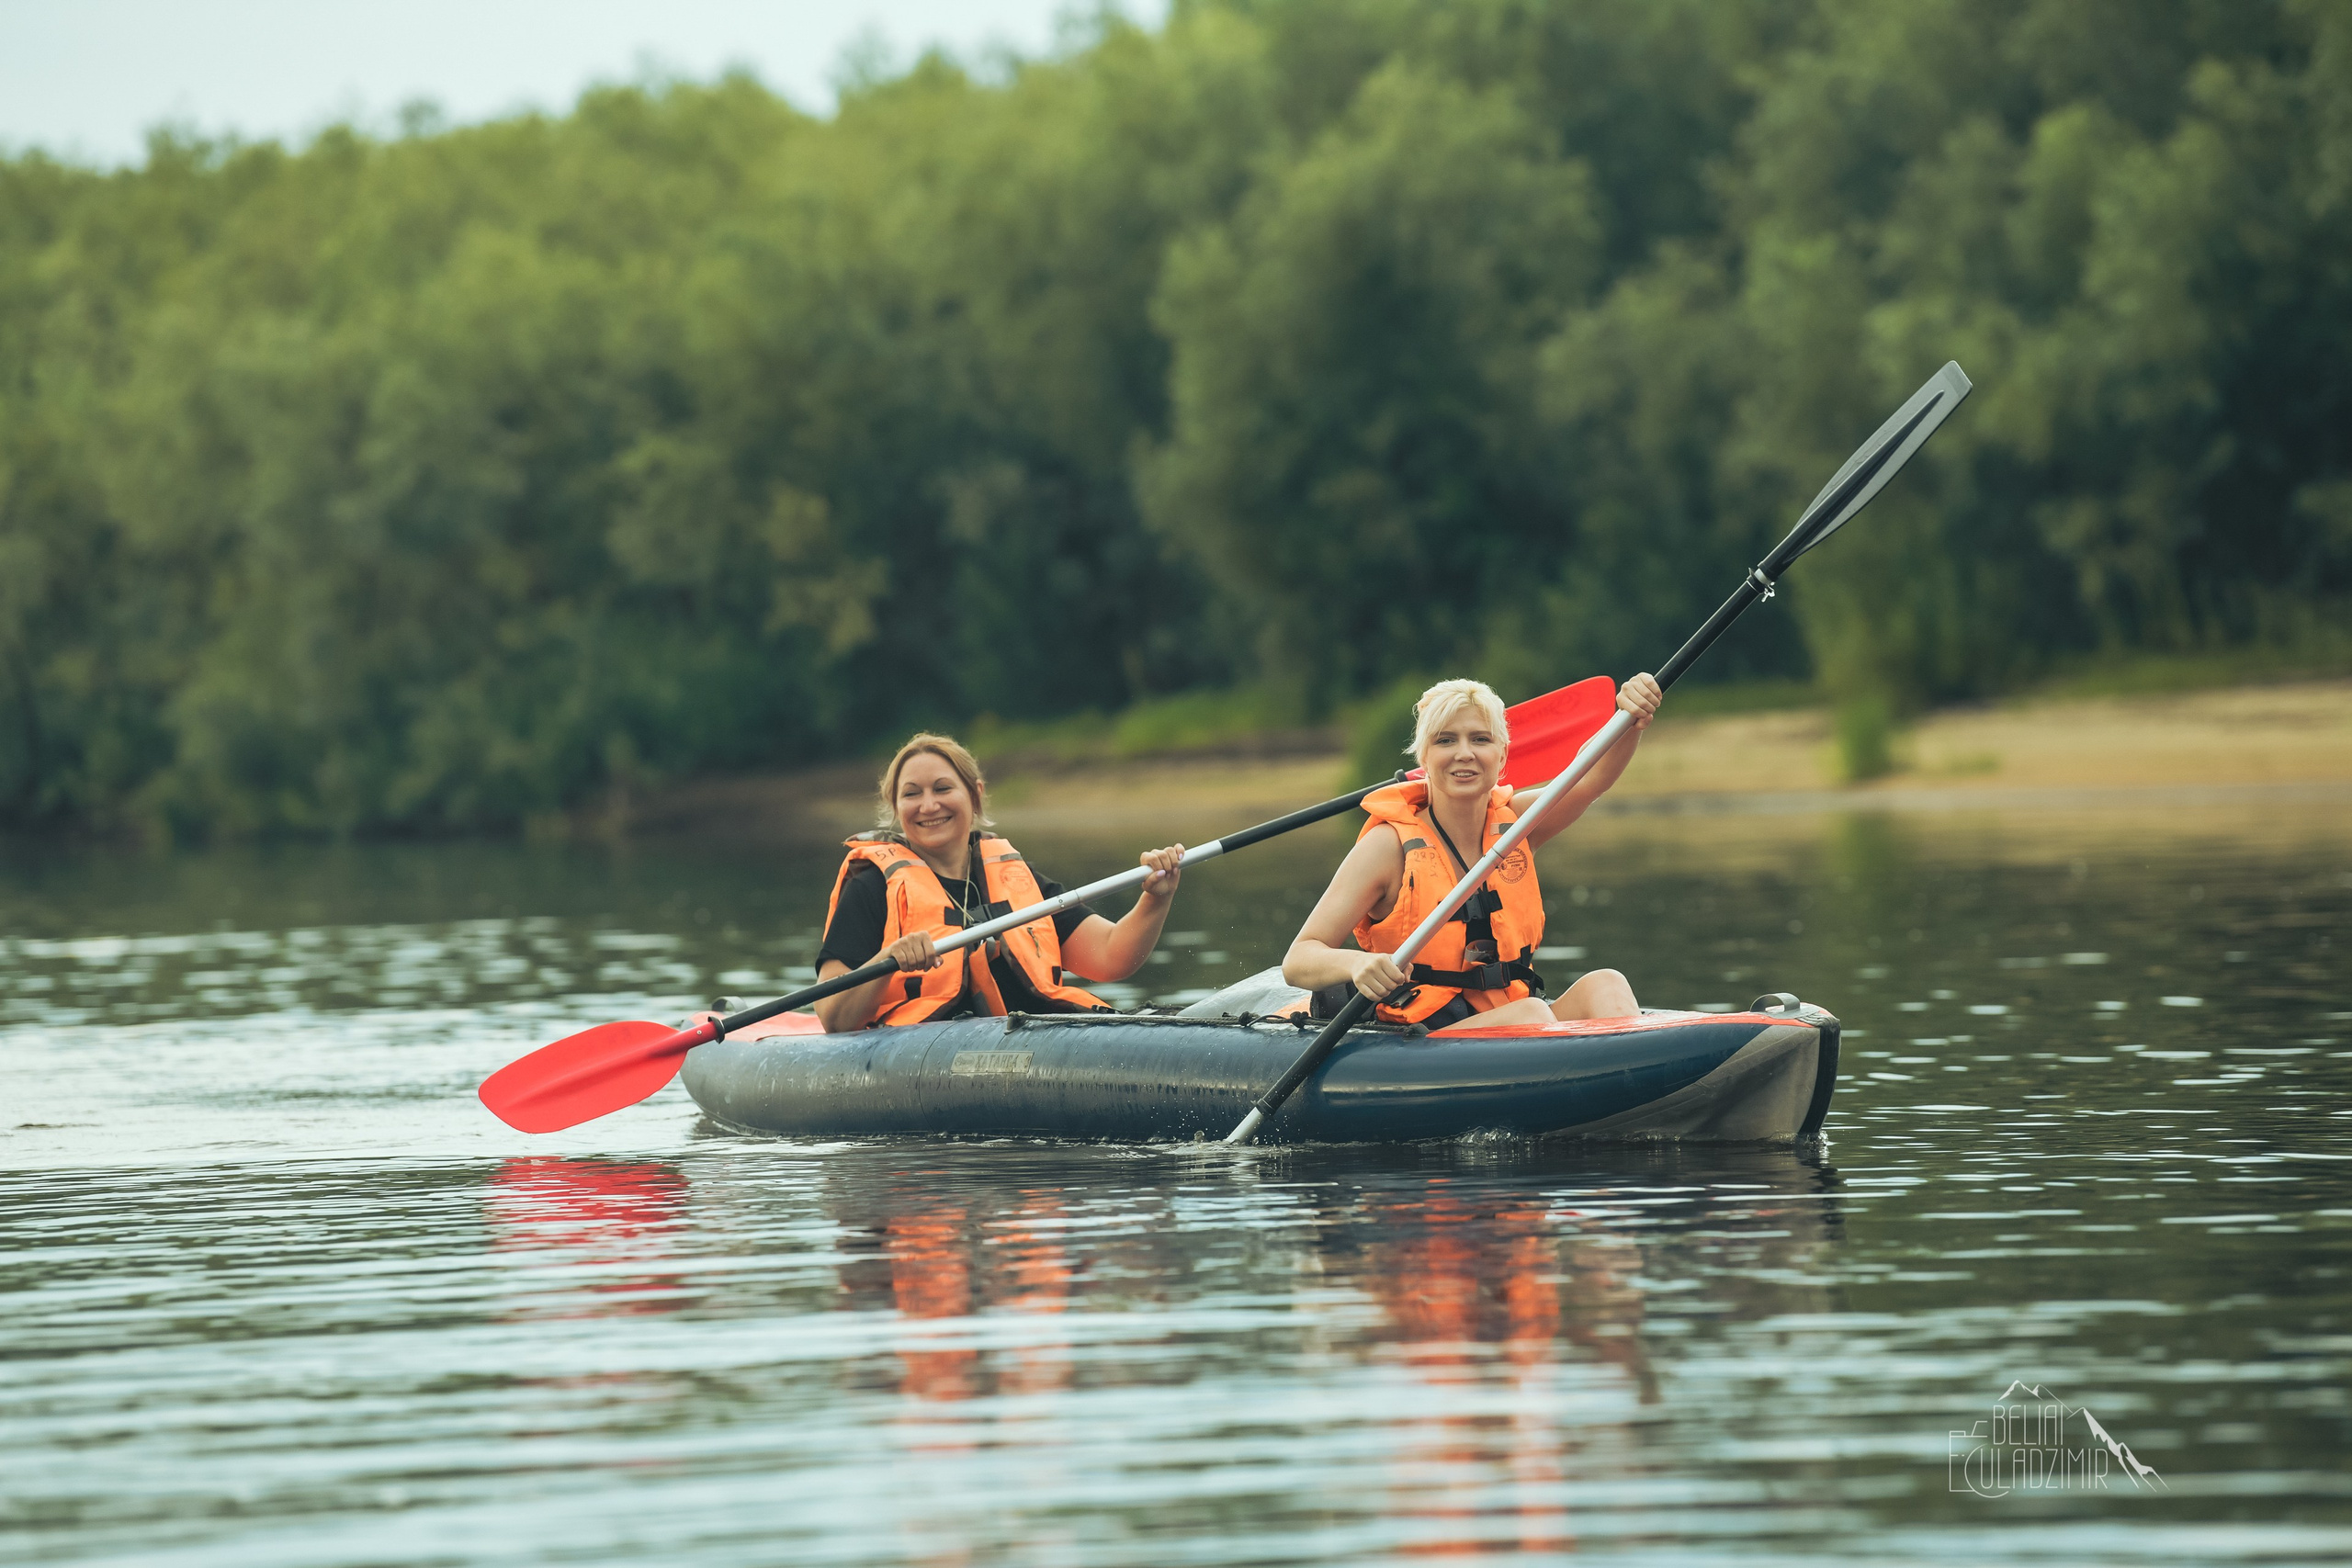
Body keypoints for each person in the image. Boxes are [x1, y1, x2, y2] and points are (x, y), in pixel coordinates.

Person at [1282, 674, 1663, 1032]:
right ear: (1423, 758)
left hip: (1508, 1016)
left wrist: (1629, 718)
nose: (1464, 753)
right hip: (1416, 1038)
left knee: (1607, 985)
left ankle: (1647, 1090)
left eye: (1480, 739)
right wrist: (1359, 963)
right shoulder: (1387, 846)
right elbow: (1299, 959)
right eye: (1446, 740)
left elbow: (1589, 778)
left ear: (1502, 756)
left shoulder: (1517, 824)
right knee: (1531, 1013)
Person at [814, 733, 1185, 1032]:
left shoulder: (1015, 879)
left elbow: (1110, 957)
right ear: (895, 807)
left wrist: (1155, 899)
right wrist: (888, 960)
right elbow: (834, 1018)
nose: (928, 806)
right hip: (920, 1055)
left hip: (1032, 1040)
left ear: (974, 795)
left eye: (943, 789)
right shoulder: (871, 887)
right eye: (912, 793)